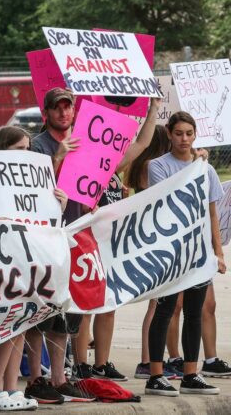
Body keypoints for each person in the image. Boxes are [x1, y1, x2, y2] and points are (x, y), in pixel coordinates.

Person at [0, 125, 68, 411]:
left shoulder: (37, 183)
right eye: (19, 149)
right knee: (5, 325)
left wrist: (59, 207)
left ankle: (10, 388)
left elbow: (46, 220)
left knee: (19, 325)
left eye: (28, 149)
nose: (26, 154)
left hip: (27, 261)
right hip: (4, 261)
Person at [72, 98, 160, 383]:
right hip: (86, 246)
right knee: (86, 308)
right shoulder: (81, 167)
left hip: (110, 246)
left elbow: (143, 144)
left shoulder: (112, 170)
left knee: (108, 305)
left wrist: (153, 108)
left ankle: (101, 362)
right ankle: (81, 363)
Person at [144, 111, 226, 397]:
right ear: (169, 133)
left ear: (195, 135)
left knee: (195, 312)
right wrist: (195, 166)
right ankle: (156, 374)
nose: (184, 139)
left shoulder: (207, 169)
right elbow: (166, 201)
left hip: (199, 251)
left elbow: (212, 213)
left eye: (189, 134)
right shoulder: (158, 166)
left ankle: (191, 373)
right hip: (171, 252)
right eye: (178, 133)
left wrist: (218, 252)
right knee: (165, 309)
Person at [24, 88, 93, 404]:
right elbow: (34, 191)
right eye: (58, 108)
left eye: (68, 107)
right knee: (42, 313)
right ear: (47, 114)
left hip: (74, 233)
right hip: (45, 238)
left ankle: (59, 378)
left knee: (65, 313)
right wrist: (59, 157)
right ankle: (35, 378)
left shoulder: (84, 142)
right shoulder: (38, 146)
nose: (64, 113)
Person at [124, 126, 184, 381]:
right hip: (158, 238)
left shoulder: (139, 167)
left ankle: (153, 358)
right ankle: (148, 360)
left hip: (148, 238)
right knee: (159, 304)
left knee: (160, 303)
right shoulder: (153, 167)